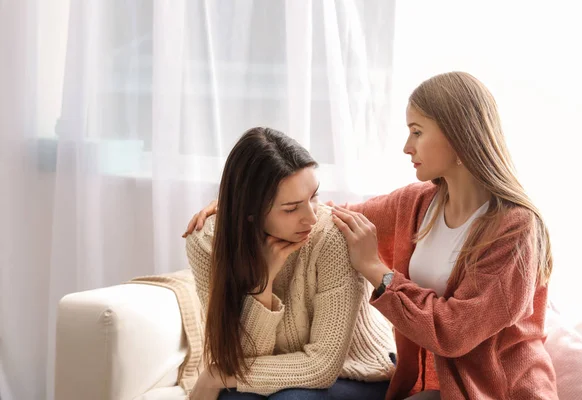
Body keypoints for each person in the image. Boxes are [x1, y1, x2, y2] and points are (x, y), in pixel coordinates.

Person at [184, 72, 559, 399]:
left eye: (416, 132)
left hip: (500, 390)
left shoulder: (516, 230)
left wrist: (377, 272)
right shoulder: (416, 204)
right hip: (440, 389)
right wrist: (240, 205)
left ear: (459, 138)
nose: (406, 146)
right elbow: (331, 216)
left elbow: (455, 331)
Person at [184, 127, 395, 400]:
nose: (310, 217)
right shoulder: (207, 243)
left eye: (313, 197)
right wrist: (263, 282)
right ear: (249, 212)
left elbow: (321, 366)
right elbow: (241, 356)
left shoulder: (332, 239)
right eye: (291, 208)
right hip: (272, 367)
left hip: (356, 370)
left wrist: (216, 375)